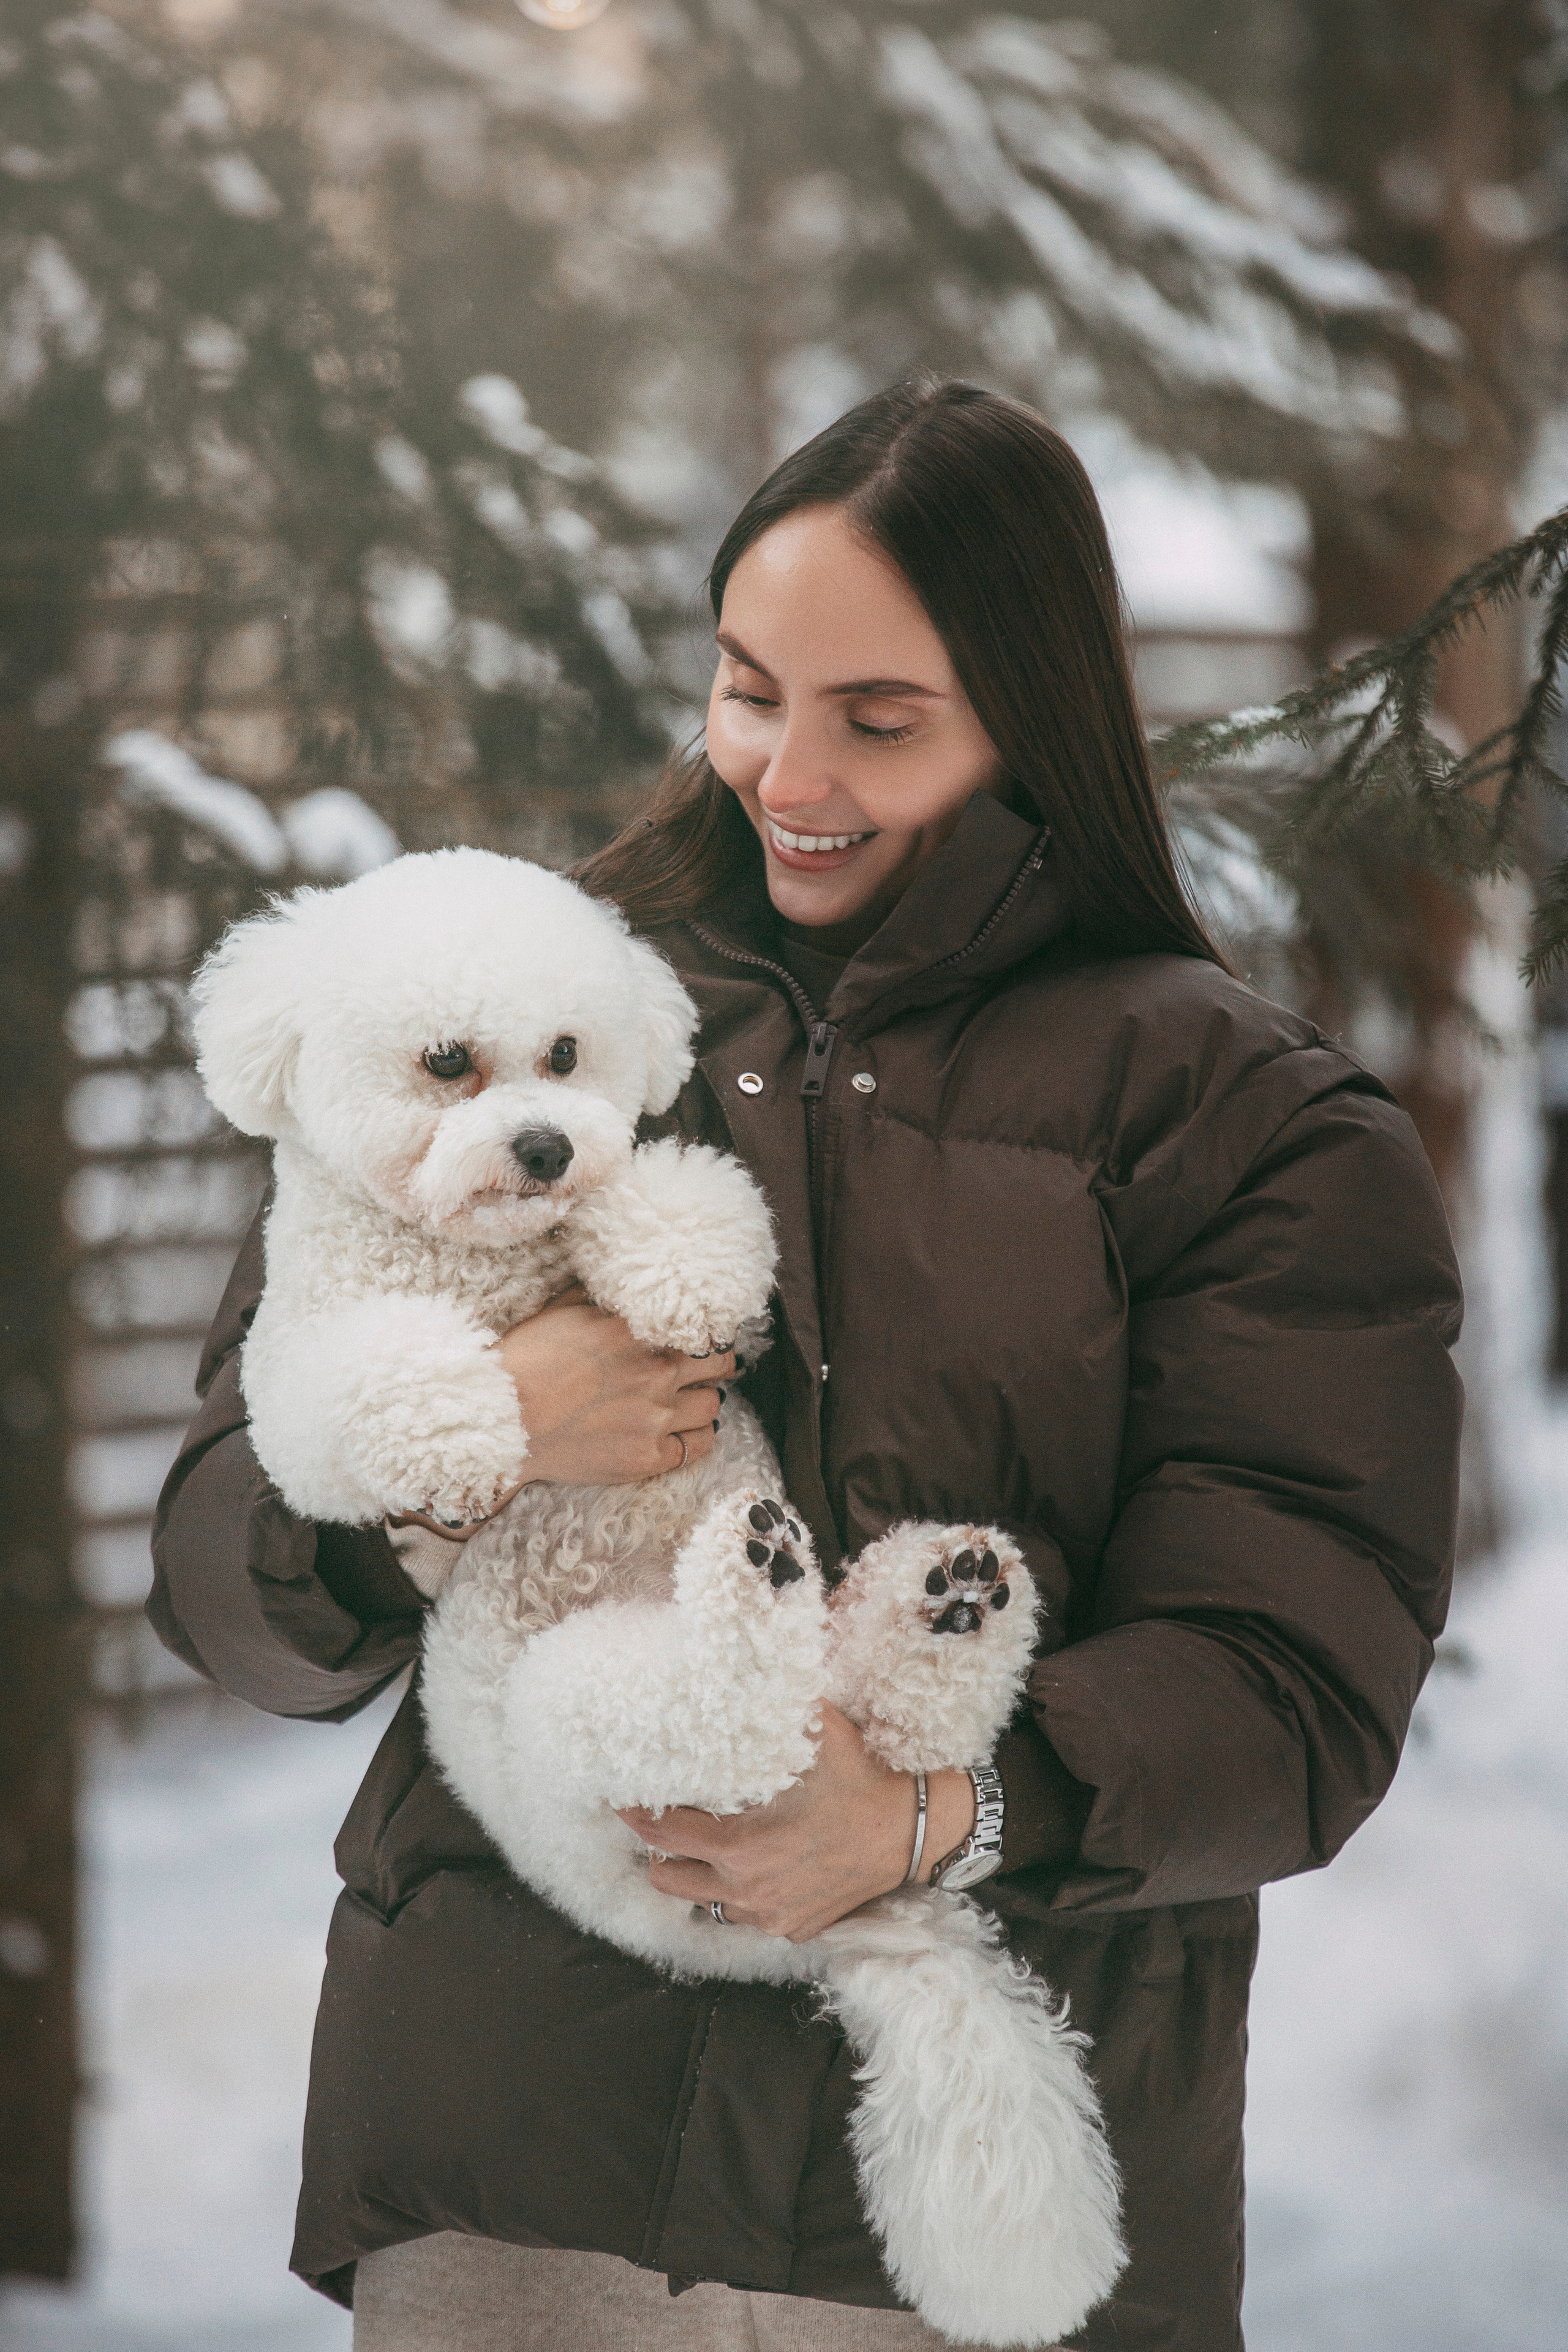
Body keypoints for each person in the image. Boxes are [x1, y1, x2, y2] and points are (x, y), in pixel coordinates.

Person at [149, 379, 1463, 2352]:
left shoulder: (1239, 1121)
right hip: (521, 2164)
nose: (788, 769)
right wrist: (471, 1465)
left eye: (880, 716)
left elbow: (1297, 1683)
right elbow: (226, 1572)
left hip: (961, 2227)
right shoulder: (533, 1006)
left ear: (1031, 711)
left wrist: (937, 1810)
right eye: (750, 686)